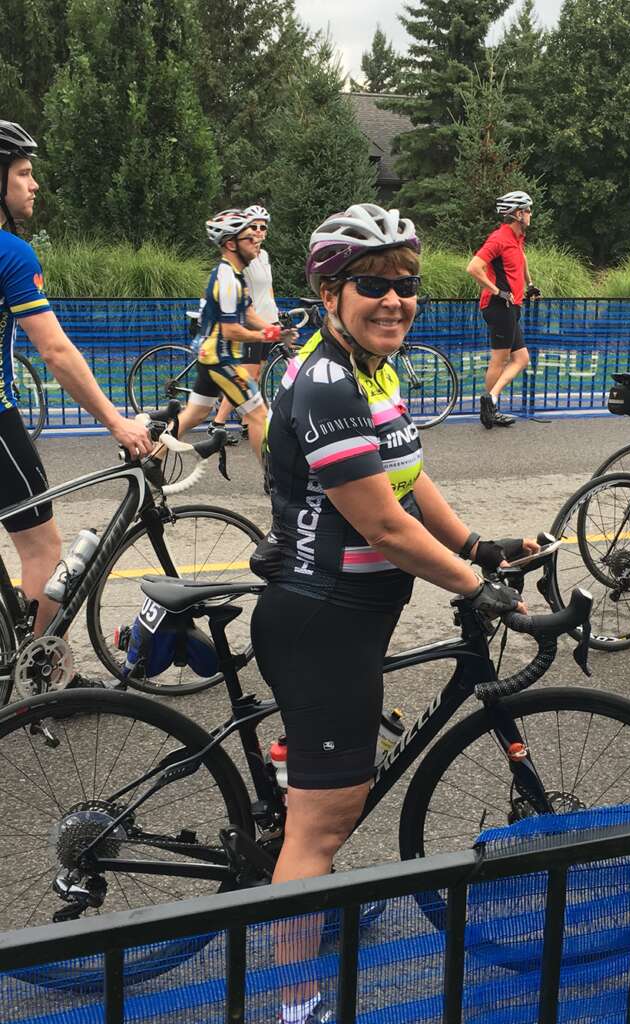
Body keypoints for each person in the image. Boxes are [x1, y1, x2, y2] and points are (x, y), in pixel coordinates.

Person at [250, 202, 539, 1024]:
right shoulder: (328, 384)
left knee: (325, 793)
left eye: (406, 286)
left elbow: (412, 483)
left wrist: (482, 546)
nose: (394, 301)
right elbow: (381, 523)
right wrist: (475, 588)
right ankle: (296, 1008)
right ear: (331, 293)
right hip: (323, 617)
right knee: (322, 831)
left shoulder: (378, 371)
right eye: (372, 285)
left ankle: (292, 794)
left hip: (352, 615)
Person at [0, 120, 151, 649]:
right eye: (22, 173)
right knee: (41, 546)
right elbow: (56, 351)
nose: (33, 184)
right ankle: (43, 673)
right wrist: (117, 421)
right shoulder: (11, 254)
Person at [175, 209, 294, 458]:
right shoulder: (227, 278)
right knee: (258, 414)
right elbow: (231, 330)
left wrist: (275, 330)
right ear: (231, 244)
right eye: (249, 238)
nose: (256, 241)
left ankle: (153, 456)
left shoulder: (236, 275)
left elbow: (249, 314)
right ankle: (273, 481)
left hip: (212, 356)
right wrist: (269, 337)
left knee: (194, 415)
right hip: (221, 359)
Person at [466, 190, 541, 429]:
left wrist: (530, 284)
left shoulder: (516, 237)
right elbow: (474, 267)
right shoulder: (499, 238)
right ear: (518, 214)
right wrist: (497, 291)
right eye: (528, 210)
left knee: (521, 358)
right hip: (499, 306)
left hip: (511, 306)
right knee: (500, 359)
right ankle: (490, 406)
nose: (530, 214)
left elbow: (522, 259)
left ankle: (492, 400)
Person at [208, 203, 281, 432]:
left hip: (268, 320)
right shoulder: (243, 258)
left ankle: (246, 420)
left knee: (256, 374)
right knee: (246, 377)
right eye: (254, 227)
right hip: (251, 323)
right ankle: (218, 422)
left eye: (263, 227)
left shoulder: (265, 255)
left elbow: (268, 288)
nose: (259, 231)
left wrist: (276, 314)